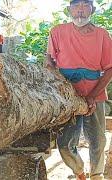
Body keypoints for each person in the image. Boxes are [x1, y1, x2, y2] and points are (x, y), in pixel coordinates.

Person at [45, 0, 112, 179]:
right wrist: (63, 88)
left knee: (98, 140)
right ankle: (80, 172)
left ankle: (97, 175)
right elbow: (49, 63)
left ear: (93, 9)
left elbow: (110, 68)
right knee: (65, 143)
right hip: (67, 97)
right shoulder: (57, 32)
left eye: (85, 5)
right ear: (69, 9)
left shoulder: (102, 35)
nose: (80, 11)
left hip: (95, 94)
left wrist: (92, 96)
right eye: (76, 6)